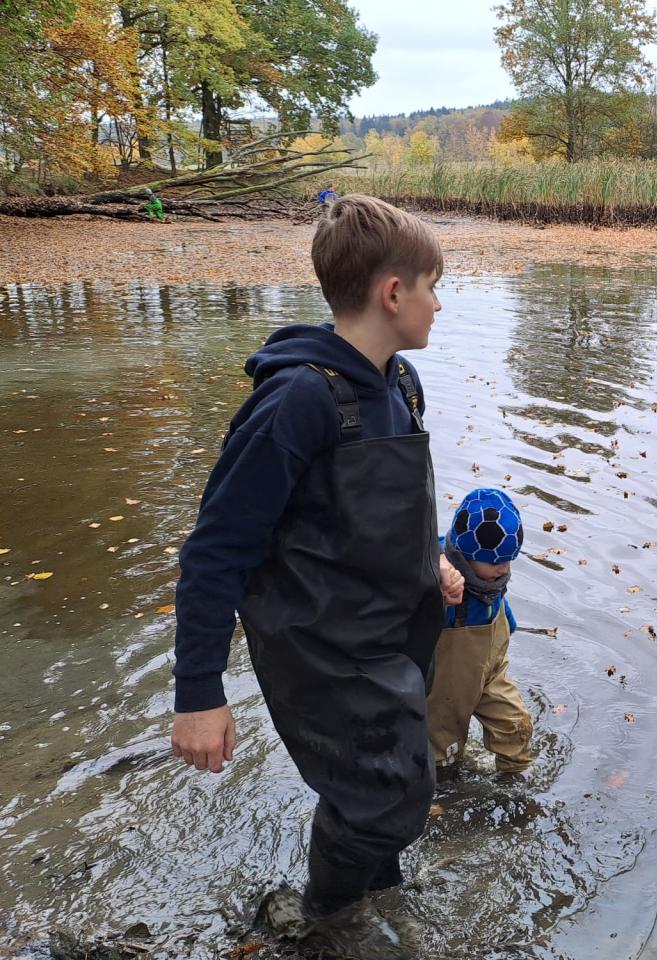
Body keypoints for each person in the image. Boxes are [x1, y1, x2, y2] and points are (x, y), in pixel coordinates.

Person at [169, 194, 465, 959]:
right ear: (392, 293)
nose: (438, 303)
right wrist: (199, 693)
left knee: (392, 785)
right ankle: (325, 925)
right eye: (432, 286)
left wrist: (431, 557)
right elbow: (216, 550)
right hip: (319, 646)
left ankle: (374, 898)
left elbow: (382, 506)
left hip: (390, 629)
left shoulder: (400, 384)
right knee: (390, 798)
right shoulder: (297, 402)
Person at [429, 488, 534, 780]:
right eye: (496, 562)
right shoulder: (441, 578)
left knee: (515, 726)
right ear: (466, 554)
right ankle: (444, 791)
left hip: (491, 669)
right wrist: (438, 588)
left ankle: (513, 782)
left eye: (509, 560)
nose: (504, 568)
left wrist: (509, 624)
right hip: (447, 683)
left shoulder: (492, 579)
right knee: (443, 754)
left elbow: (500, 605)